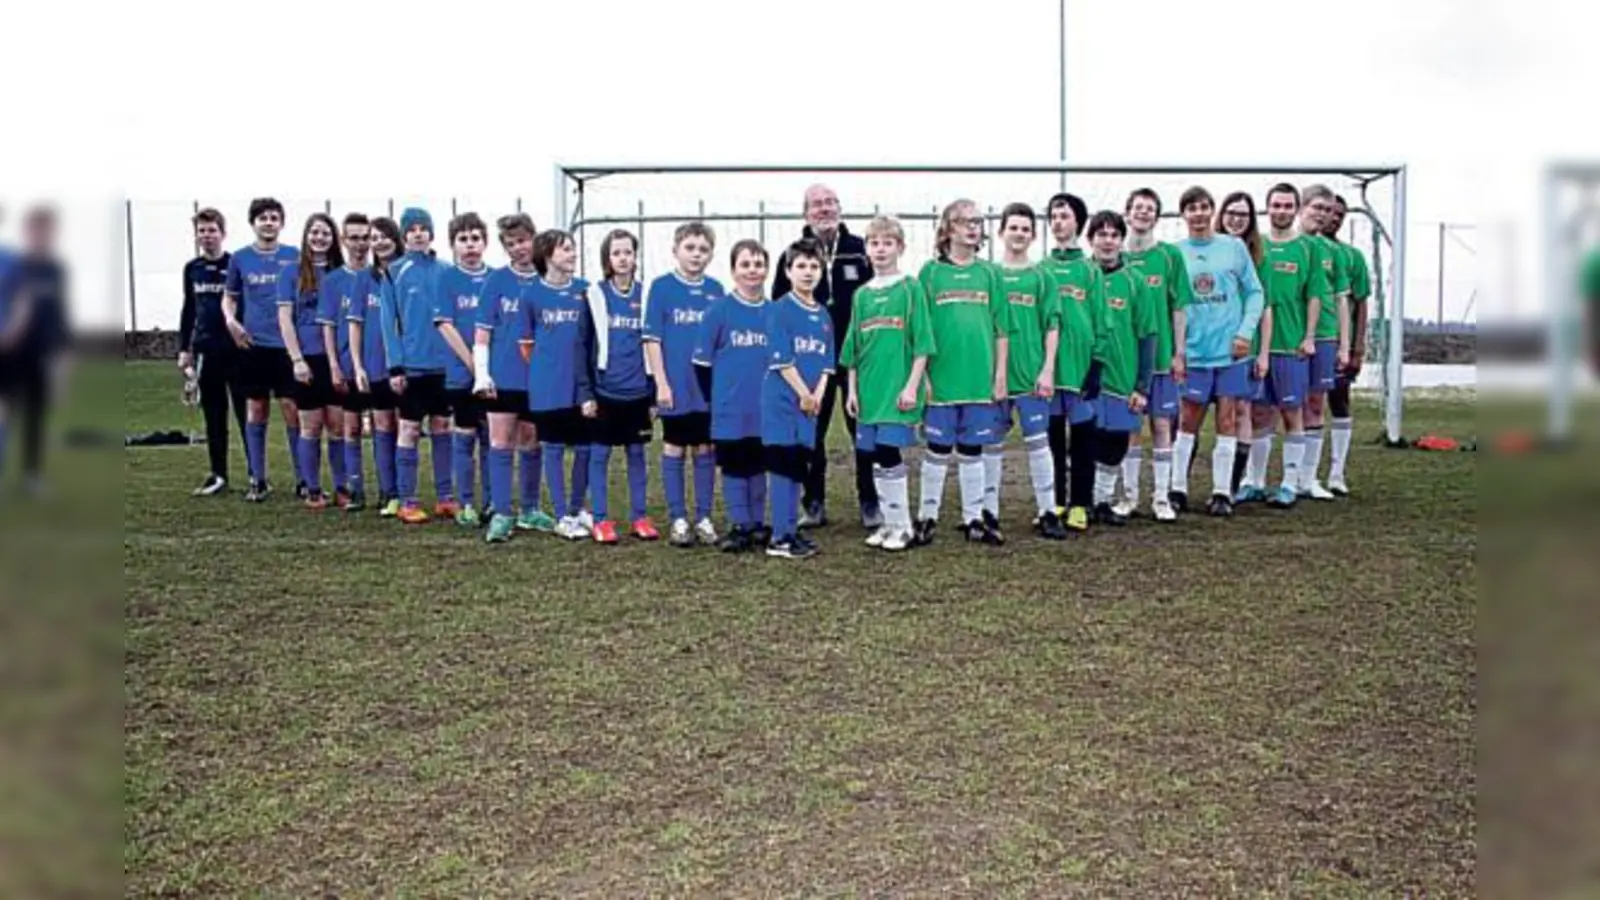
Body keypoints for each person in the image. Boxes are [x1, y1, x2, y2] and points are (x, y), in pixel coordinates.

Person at [769, 184, 876, 530]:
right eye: (817, 205)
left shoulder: (860, 251)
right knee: (810, 432)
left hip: (857, 358)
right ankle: (813, 502)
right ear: (806, 213)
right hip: (812, 363)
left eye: (830, 202)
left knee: (864, 430)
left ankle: (869, 500)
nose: (825, 209)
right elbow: (778, 307)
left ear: (840, 208)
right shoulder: (793, 254)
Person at [914, 198, 1011, 546]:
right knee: (938, 448)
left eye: (978, 222)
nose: (973, 228)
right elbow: (919, 331)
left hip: (979, 379)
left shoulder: (989, 273)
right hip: (941, 379)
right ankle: (927, 517)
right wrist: (922, 375)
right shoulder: (930, 273)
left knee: (973, 449)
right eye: (966, 221)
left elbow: (1002, 330)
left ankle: (974, 518)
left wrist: (1000, 374)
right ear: (948, 228)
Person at [1169, 186, 1266, 517]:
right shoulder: (1174, 253)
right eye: (1191, 208)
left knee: (1228, 417)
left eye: (1203, 207)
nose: (1198, 213)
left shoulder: (1233, 248)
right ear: (1183, 214)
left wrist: (1245, 332)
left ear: (1212, 211)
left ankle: (1222, 492)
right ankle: (1177, 489)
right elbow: (1172, 305)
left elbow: (1255, 293)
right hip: (1195, 352)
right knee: (1188, 418)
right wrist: (1176, 349)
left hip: (1230, 352)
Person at [841, 216, 934, 552]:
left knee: (888, 453)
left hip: (897, 390)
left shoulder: (910, 289)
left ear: (900, 247)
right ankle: (887, 523)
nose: (880, 250)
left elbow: (922, 344)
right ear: (866, 249)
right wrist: (852, 390)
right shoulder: (862, 295)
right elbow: (853, 349)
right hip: (868, 391)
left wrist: (912, 386)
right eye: (874, 243)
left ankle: (903, 526)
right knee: (873, 457)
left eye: (887, 243)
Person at [1236, 183, 1329, 508]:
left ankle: (1290, 482)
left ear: (1296, 209)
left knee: (1293, 412)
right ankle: (1254, 481)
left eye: (1288, 206)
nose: (1281, 211)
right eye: (1276, 205)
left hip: (1290, 346)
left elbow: (1315, 295)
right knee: (1259, 414)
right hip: (1257, 347)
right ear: (1267, 208)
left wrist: (1309, 336)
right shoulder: (1255, 245)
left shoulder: (1309, 248)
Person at [642, 222, 725, 548]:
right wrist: (661, 383)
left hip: (707, 387)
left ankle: (703, 516)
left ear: (711, 255)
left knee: (705, 447)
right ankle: (678, 517)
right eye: (690, 248)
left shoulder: (716, 290)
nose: (696, 254)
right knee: (674, 445)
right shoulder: (662, 288)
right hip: (674, 384)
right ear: (676, 250)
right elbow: (653, 340)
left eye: (703, 249)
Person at [693, 238, 774, 552]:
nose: (752, 271)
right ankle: (739, 524)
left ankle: (757, 524)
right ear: (733, 270)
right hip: (730, 409)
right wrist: (716, 400)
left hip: (765, 409)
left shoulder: (774, 313)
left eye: (758, 264)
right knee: (734, 465)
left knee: (759, 465)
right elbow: (701, 364)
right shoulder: (718, 312)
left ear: (766, 269)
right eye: (745, 264)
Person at [473, 213, 549, 543]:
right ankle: (502, 512)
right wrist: (482, 374)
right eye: (511, 243)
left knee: (532, 440)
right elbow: (482, 333)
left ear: (534, 238)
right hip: (503, 377)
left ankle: (530, 509)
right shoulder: (496, 282)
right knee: (500, 441)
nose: (518, 248)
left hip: (540, 378)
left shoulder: (550, 280)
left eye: (522, 240)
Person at [222, 197, 301, 503]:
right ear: (253, 223)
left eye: (274, 217)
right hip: (253, 347)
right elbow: (229, 297)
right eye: (262, 218)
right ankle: (258, 478)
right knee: (256, 409)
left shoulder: (294, 256)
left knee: (292, 411)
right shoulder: (240, 258)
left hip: (286, 347)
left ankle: (303, 478)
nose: (268, 222)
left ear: (281, 223)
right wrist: (231, 321)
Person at [1118, 187, 1190, 522]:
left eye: (1150, 208)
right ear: (1127, 214)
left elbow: (1179, 307)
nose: (1143, 213)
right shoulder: (1114, 257)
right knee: (1130, 426)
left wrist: (1179, 352)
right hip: (1125, 362)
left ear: (1156, 216)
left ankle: (1161, 497)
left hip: (1160, 358)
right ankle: (1129, 496)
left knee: (1162, 424)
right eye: (1138, 208)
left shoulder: (1169, 257)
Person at [380, 206, 455, 524]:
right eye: (412, 229)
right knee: (409, 430)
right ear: (404, 235)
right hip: (412, 367)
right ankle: (407, 498)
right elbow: (388, 322)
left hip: (444, 367)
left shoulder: (447, 270)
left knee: (442, 427)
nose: (418, 233)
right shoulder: (394, 272)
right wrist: (395, 366)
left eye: (424, 228)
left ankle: (445, 497)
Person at [584, 228, 659, 544]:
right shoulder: (595, 295)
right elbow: (583, 346)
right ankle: (601, 518)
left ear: (635, 256)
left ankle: (640, 517)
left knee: (637, 454)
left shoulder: (647, 295)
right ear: (607, 259)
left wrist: (655, 393)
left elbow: (656, 345)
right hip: (605, 391)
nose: (623, 258)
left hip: (639, 392)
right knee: (599, 455)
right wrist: (586, 392)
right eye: (616, 253)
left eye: (628, 252)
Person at [762, 239, 836, 559]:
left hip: (809, 405)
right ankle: (779, 536)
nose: (808, 273)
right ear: (788, 271)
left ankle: (792, 531)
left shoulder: (823, 315)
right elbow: (781, 359)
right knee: (783, 466)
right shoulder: (780, 309)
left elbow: (826, 363)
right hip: (782, 401)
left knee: (799, 466)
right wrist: (803, 393)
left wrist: (817, 394)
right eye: (801, 266)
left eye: (814, 266)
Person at [521, 229, 596, 540]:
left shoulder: (586, 290)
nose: (572, 253)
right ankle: (562, 514)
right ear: (548, 255)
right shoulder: (531, 294)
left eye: (573, 248)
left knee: (585, 448)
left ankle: (579, 508)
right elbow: (526, 345)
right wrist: (546, 369)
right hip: (547, 386)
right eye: (566, 249)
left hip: (581, 386)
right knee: (551, 448)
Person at [1083, 210, 1158, 524]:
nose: (1108, 241)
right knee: (1086, 438)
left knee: (1115, 441)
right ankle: (1079, 501)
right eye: (1101, 234)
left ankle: (1102, 500)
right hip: (1083, 377)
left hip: (1121, 377)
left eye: (1114, 235)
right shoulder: (1081, 276)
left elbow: (1147, 334)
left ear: (1121, 240)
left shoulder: (1135, 282)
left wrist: (1142, 385)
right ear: (1091, 239)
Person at [994, 202, 1063, 538]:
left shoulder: (1041, 276)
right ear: (1001, 232)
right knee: (989, 444)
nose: (1019, 234)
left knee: (1039, 443)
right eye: (1013, 227)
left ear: (1034, 235)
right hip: (994, 376)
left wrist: (1048, 369)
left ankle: (1048, 511)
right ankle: (986, 512)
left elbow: (1052, 325)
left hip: (1032, 374)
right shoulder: (990, 275)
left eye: (1025, 229)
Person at [1038, 192, 1099, 534]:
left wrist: (1097, 364)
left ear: (1078, 221)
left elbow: (1101, 318)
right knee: (1051, 441)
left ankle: (1080, 503)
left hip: (1080, 369)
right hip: (1049, 371)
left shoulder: (1089, 270)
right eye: (1054, 216)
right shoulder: (1041, 269)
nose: (1059, 222)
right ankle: (1055, 501)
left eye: (1065, 215)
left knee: (1083, 440)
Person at [0, 205, 70, 497]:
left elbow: (55, 313)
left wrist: (63, 359)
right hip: (9, 354)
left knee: (35, 416)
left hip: (35, 353)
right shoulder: (17, 262)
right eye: (35, 229)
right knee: (5, 413)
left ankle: (32, 476)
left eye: (46, 230)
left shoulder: (50, 269)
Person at [177, 207, 247, 496]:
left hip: (238, 351)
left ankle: (257, 474)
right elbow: (189, 309)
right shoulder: (191, 269)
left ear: (223, 233)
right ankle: (219, 475)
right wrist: (184, 348)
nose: (207, 236)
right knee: (214, 417)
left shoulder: (235, 265)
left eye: (212, 230)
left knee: (247, 415)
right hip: (207, 351)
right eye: (202, 231)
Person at [277, 213, 343, 508]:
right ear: (306, 236)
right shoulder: (290, 273)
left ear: (333, 238)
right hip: (308, 359)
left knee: (338, 426)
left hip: (337, 360)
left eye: (326, 233)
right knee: (310, 427)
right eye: (314, 232)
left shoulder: (341, 272)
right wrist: (297, 359)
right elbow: (285, 318)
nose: (319, 238)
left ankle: (343, 488)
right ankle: (313, 489)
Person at [436, 213, 493, 527]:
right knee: (465, 433)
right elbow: (445, 324)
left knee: (492, 437)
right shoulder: (447, 279)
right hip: (462, 373)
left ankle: (492, 501)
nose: (470, 245)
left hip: (495, 375)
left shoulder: (496, 278)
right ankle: (466, 502)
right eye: (463, 239)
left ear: (484, 242)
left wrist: (490, 367)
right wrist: (474, 363)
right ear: (453, 244)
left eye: (475, 238)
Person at [1295, 185, 1350, 501]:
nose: (1323, 215)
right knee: (1274, 408)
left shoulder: (1335, 253)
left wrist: (1343, 345)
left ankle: (1308, 477)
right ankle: (1257, 477)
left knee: (1315, 404)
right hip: (1287, 336)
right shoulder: (1282, 243)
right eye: (1317, 207)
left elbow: (1343, 301)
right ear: (1302, 207)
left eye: (1328, 211)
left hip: (1325, 336)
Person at [1215, 191, 1270, 500]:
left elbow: (1265, 305)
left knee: (1241, 410)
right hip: (1204, 349)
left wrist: (1262, 352)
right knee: (1189, 413)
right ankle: (1177, 485)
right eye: (1231, 212)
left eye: (1243, 215)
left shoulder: (1258, 257)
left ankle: (1234, 483)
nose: (1236, 219)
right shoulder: (1205, 250)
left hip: (1242, 347)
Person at [1319, 194, 1373, 496]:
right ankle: (1301, 474)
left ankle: (1337, 472)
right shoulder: (1305, 248)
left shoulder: (1351, 256)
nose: (1333, 218)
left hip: (1338, 342)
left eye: (1339, 214)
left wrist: (1357, 347)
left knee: (1338, 400)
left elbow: (1361, 303)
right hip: (1303, 342)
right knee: (1298, 408)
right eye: (1329, 212)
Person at [348, 216, 402, 516]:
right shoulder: (363, 279)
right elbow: (355, 326)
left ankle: (406, 492)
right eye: (374, 237)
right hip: (375, 365)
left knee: (405, 427)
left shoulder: (407, 274)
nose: (379, 242)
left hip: (405, 367)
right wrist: (357, 366)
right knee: (383, 425)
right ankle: (387, 490)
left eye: (384, 236)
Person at [319, 213, 373, 509]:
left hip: (378, 366)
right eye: (354, 238)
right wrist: (334, 366)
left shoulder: (381, 277)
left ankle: (389, 492)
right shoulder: (333, 281)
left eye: (365, 237)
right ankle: (354, 487)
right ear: (343, 240)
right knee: (349, 428)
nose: (360, 244)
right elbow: (327, 326)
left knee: (383, 428)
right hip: (347, 366)